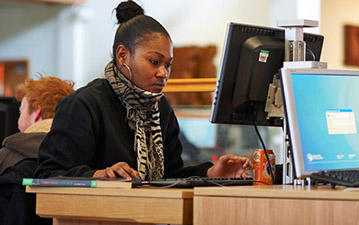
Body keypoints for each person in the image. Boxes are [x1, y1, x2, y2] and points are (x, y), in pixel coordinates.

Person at [35, 0, 250, 181]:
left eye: (167, 64)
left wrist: (210, 172)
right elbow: (48, 174)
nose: (163, 73)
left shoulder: (160, 108)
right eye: (154, 61)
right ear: (122, 56)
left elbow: (170, 176)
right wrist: (100, 175)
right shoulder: (84, 104)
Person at [0, 76, 74, 225]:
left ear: (37, 113)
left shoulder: (7, 157)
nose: (18, 121)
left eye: (21, 112)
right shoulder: (81, 156)